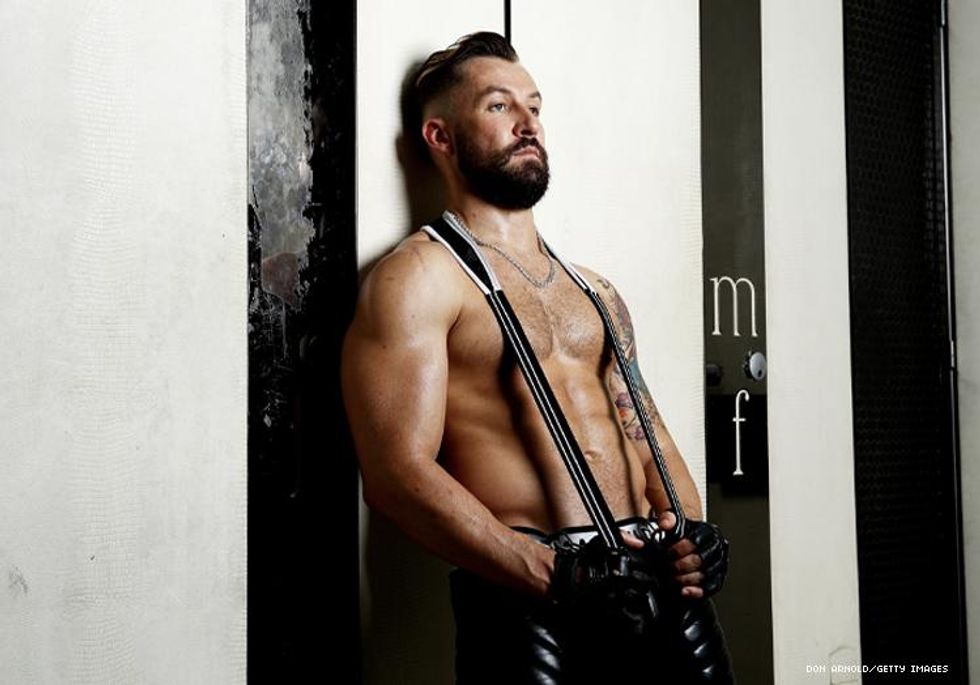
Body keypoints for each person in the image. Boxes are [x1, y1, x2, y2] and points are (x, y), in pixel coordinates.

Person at [342, 31, 731, 683]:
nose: (528, 124)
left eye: (535, 106)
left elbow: (647, 434)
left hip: (664, 590)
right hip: (534, 602)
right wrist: (552, 572)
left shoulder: (595, 290)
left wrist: (694, 533)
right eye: (499, 106)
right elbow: (396, 473)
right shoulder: (420, 278)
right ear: (440, 137)